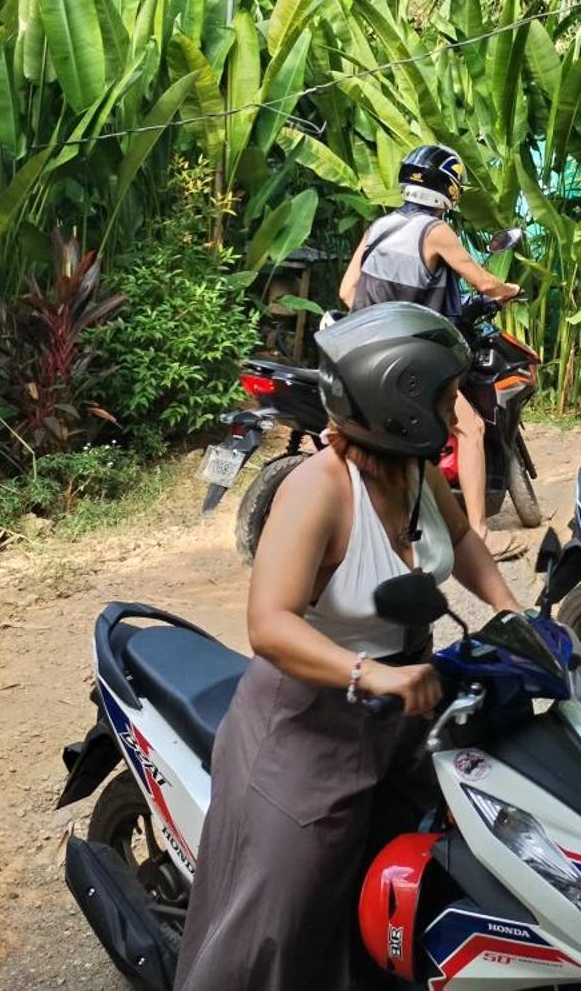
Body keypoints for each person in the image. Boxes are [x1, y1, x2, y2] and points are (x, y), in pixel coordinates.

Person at [173, 302, 524, 991]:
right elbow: (269, 625)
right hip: (307, 723)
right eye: (447, 396)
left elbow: (463, 542)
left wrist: (516, 614)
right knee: (279, 926)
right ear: (402, 404)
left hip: (407, 712)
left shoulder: (416, 474)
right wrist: (371, 674)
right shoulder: (319, 489)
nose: (459, 414)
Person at [339, 143, 524, 558]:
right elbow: (484, 283)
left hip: (362, 352)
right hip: (407, 359)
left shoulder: (379, 228)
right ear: (449, 188)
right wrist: (509, 289)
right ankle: (479, 534)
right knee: (471, 429)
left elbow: (347, 290)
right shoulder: (435, 231)